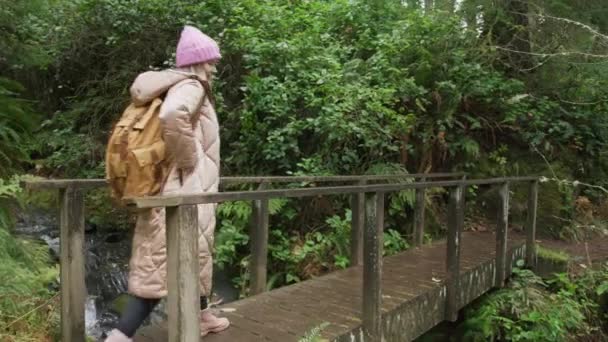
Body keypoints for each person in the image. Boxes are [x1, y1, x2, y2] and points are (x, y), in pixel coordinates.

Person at [105, 26, 228, 341]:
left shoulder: (175, 85)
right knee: (157, 269)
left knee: (196, 252)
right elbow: (173, 115)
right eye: (210, 60)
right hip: (180, 188)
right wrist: (189, 160)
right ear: (198, 62)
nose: (214, 67)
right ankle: (119, 335)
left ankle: (202, 317)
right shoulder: (191, 86)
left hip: (179, 187)